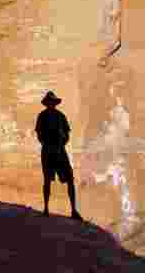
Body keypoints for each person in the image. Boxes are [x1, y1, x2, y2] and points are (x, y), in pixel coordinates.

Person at [35, 91, 81, 219]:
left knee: (70, 179)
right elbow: (39, 135)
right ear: (47, 103)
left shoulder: (61, 116)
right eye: (49, 102)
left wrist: (61, 144)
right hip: (49, 151)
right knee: (47, 180)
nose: (51, 104)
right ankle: (46, 208)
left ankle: (73, 210)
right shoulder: (42, 116)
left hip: (60, 151)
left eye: (52, 102)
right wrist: (48, 144)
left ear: (55, 103)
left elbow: (67, 135)